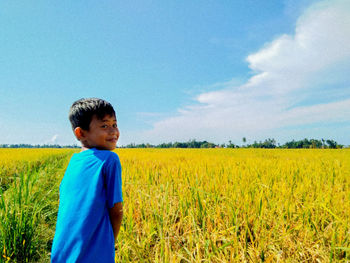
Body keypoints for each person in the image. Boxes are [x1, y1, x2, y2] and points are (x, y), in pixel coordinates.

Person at [51, 98, 123, 263]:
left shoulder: (73, 161)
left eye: (114, 124)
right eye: (104, 126)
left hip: (62, 250)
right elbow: (116, 211)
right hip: (93, 253)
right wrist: (110, 243)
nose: (113, 131)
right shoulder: (110, 160)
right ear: (81, 133)